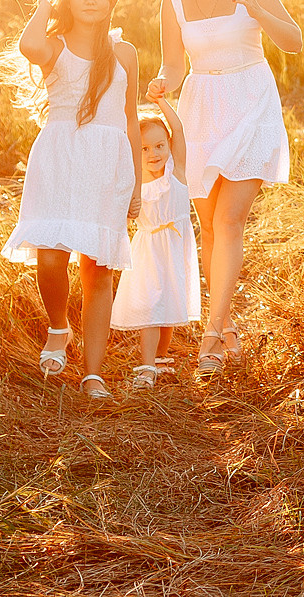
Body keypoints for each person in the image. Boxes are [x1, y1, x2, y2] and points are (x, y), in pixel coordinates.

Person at [146, 0, 302, 376]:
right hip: (201, 111)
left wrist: (256, 11)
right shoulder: (171, 3)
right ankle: (228, 327)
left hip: (251, 102)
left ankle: (211, 335)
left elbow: (293, 40)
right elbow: (175, 64)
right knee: (210, 227)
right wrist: (162, 81)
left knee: (230, 220)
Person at [0, 0, 141, 401]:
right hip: (60, 159)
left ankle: (93, 373)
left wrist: (136, 182)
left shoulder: (124, 53)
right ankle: (59, 327)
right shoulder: (55, 47)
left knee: (98, 270)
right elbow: (28, 46)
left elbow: (131, 118)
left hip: (106, 163)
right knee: (51, 259)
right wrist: (45, 3)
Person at [111, 96, 199, 389]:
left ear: (168, 146)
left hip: (174, 247)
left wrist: (160, 102)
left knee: (169, 307)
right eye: (144, 148)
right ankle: (146, 364)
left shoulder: (178, 171)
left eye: (160, 145)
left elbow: (178, 129)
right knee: (151, 306)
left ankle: (160, 358)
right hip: (148, 251)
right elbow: (124, 215)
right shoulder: (134, 183)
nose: (153, 153)